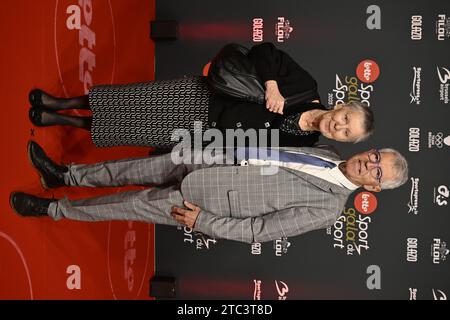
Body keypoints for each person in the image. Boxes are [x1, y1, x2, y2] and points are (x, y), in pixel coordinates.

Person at [10, 141, 408, 243]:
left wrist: (205, 222)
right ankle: (63, 175)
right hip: (210, 159)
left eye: (377, 171)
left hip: (205, 203)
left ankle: (51, 210)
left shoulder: (329, 209)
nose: (369, 164)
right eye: (376, 155)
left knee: (126, 204)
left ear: (373, 187)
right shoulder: (328, 152)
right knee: (133, 167)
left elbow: (260, 231)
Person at [27, 42, 374, 149]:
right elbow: (265, 51)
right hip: (203, 96)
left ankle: (60, 121)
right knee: (131, 100)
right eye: (346, 119)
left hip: (206, 135)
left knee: (129, 130)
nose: (338, 126)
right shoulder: (305, 87)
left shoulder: (307, 146)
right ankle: (64, 104)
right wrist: (272, 85)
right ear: (341, 106)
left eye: (346, 132)